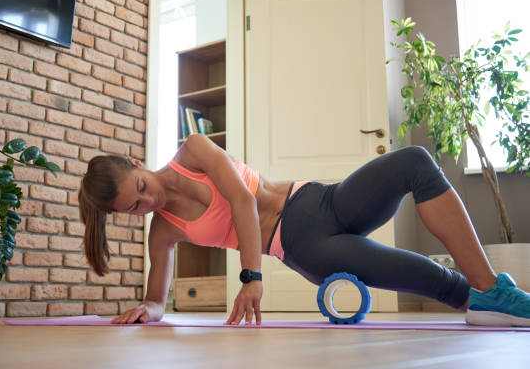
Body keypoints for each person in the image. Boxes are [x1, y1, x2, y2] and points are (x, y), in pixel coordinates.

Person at [79, 134, 530, 327]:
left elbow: (240, 199)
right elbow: (159, 298)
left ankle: (491, 290)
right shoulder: (164, 231)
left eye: (140, 188)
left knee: (414, 161)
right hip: (305, 245)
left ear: (137, 163)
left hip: (319, 199)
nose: (148, 202)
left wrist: (250, 278)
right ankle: (485, 299)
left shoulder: (193, 150)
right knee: (446, 286)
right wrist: (149, 310)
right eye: (134, 208)